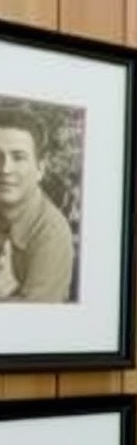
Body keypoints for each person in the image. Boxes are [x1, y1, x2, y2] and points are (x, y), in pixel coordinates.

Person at [0, 103, 75, 303]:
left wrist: (9, 292)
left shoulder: (52, 234)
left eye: (18, 157)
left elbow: (38, 327)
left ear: (40, 169)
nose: (5, 169)